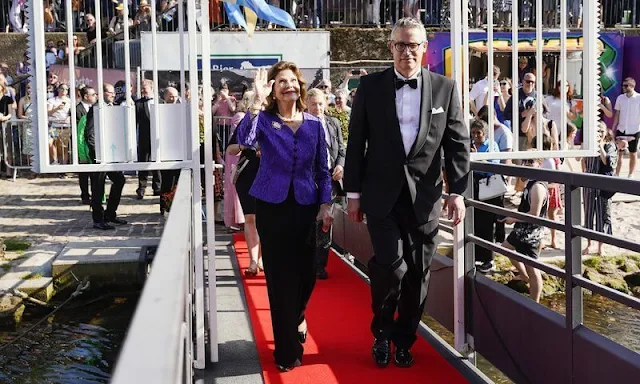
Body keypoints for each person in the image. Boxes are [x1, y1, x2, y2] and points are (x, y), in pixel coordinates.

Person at [343, 18, 470, 368]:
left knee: (418, 271)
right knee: (389, 266)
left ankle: (404, 338)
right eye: (400, 45)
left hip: (425, 199)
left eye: (413, 45)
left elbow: (458, 144)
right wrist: (352, 195)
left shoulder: (445, 88)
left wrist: (456, 192)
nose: (406, 52)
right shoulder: (369, 87)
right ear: (390, 48)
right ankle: (381, 333)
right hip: (380, 196)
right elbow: (356, 145)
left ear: (424, 48)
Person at [236, 63, 333, 371]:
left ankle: (297, 315)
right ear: (274, 89)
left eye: (293, 81)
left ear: (300, 87)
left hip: (305, 205)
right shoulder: (263, 120)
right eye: (281, 82)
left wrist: (326, 203)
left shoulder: (315, 125)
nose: (288, 85)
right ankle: (286, 352)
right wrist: (256, 101)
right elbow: (245, 141)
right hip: (271, 205)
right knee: (279, 278)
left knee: (306, 273)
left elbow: (322, 169)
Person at [306, 88, 346, 280]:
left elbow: (342, 149)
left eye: (320, 103)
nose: (317, 108)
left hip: (329, 180)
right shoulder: (300, 124)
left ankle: (319, 265)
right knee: (308, 221)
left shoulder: (334, 123)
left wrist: (340, 165)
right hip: (306, 181)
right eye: (313, 104)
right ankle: (305, 263)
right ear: (306, 105)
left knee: (325, 221)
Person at [500, 156, 548, 303]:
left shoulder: (537, 187)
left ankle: (535, 303)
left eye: (530, 162)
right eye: (524, 161)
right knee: (506, 248)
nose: (526, 164)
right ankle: (523, 275)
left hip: (531, 233)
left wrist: (512, 218)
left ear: (539, 164)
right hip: (522, 229)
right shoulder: (530, 183)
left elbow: (534, 214)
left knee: (533, 268)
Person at [85, 83, 127, 230]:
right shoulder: (96, 109)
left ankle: (110, 214)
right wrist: (96, 153)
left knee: (119, 180)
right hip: (99, 155)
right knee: (98, 187)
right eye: (110, 92)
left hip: (111, 153)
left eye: (114, 93)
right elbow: (89, 134)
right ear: (102, 93)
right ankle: (98, 219)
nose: (113, 95)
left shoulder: (112, 107)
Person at [582, 123, 618, 256]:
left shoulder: (610, 146)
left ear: (606, 131)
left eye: (601, 130)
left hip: (603, 186)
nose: (599, 133)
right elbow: (581, 159)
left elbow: (607, 162)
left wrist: (600, 144)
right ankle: (589, 244)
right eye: (596, 130)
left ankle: (600, 246)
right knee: (589, 214)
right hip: (589, 185)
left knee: (603, 215)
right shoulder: (589, 145)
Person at [135, 79, 161, 198]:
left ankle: (157, 187)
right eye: (142, 87)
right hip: (144, 138)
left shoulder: (160, 101)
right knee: (143, 162)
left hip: (158, 138)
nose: (142, 89)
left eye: (145, 87)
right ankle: (141, 187)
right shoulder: (138, 103)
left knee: (158, 162)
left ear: (151, 88)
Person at [613, 77, 640, 178]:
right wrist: (613, 127)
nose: (623, 87)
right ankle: (617, 173)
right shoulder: (620, 98)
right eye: (623, 85)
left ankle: (631, 174)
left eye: (626, 85)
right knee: (619, 152)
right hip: (622, 128)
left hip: (634, 129)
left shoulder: (638, 98)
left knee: (633, 153)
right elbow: (617, 113)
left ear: (632, 86)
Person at [77, 86, 97, 205]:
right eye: (93, 94)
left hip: (92, 144)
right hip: (82, 145)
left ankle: (96, 195)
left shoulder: (95, 108)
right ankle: (85, 195)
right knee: (84, 173)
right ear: (86, 96)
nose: (95, 96)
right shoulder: (77, 109)